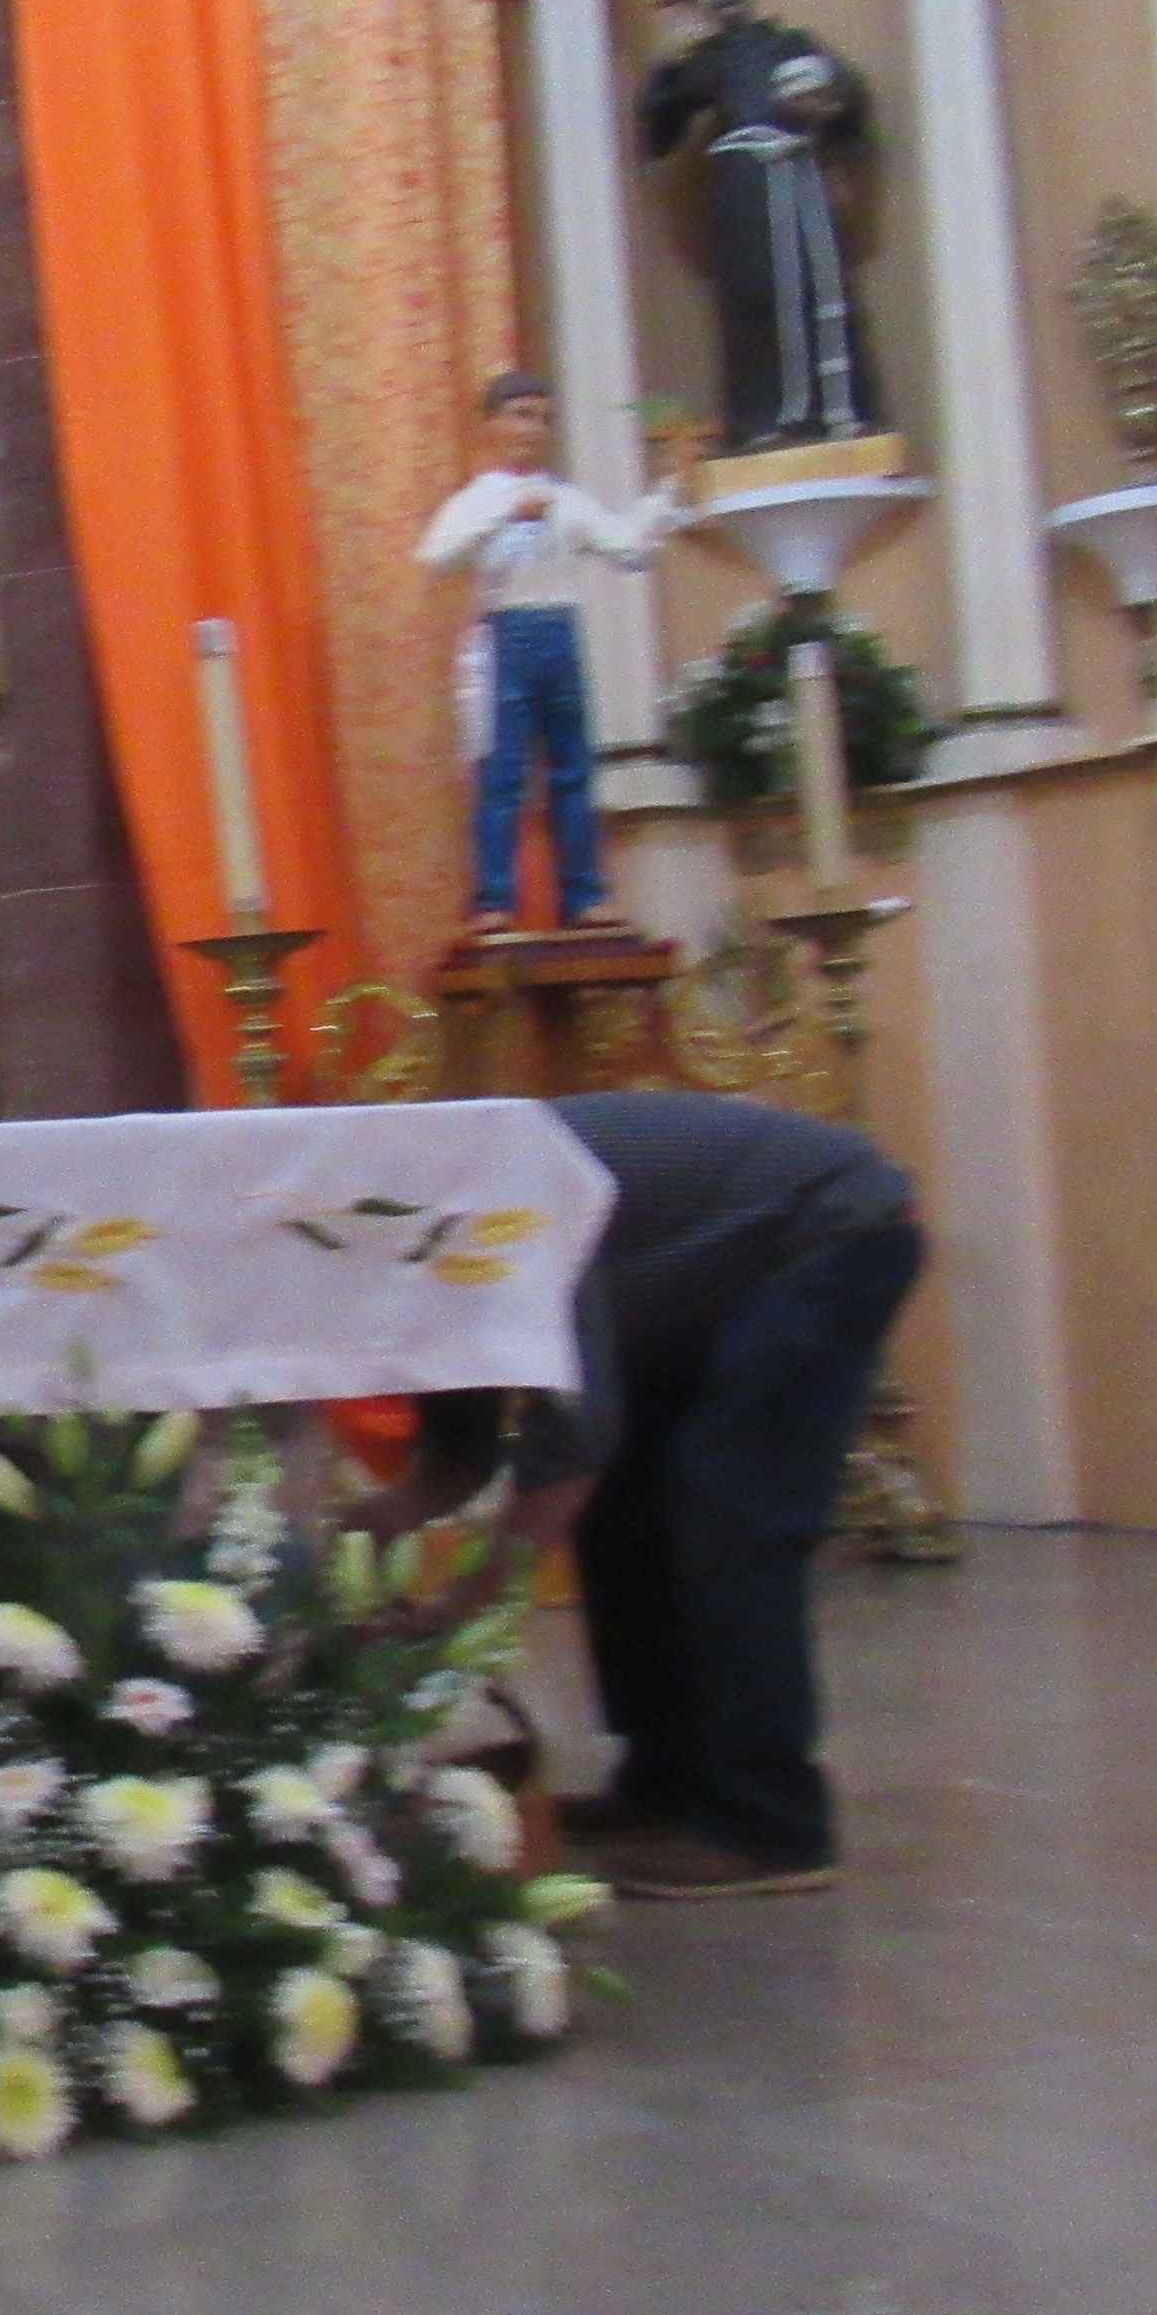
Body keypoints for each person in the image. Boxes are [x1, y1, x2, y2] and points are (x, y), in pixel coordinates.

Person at [401, 1092, 926, 1901]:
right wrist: (350, 1553)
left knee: (732, 1519)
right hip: (705, 1283)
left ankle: (769, 1825)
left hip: (831, 1236)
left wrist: (469, 1600)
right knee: (624, 1521)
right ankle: (666, 1786)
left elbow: (576, 1440)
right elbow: (454, 1460)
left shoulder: (488, 1207)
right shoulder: (411, 1252)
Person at [418, 371, 663, 932]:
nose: (535, 430)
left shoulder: (565, 500)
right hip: (506, 635)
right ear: (491, 425)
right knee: (502, 775)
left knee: (572, 770)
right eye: (523, 415)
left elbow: (625, 548)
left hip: (558, 631)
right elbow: (438, 557)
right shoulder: (475, 501)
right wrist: (505, 513)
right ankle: (494, 900)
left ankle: (582, 894)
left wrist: (665, 496)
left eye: (545, 419)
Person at [640, 0, 884, 450]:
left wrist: (822, 93)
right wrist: (671, 61)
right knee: (753, 298)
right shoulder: (705, 61)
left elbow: (846, 95)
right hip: (742, 194)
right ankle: (761, 421)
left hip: (797, 179)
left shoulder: (789, 45)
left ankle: (835, 413)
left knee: (817, 290)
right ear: (704, 2)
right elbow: (660, 122)